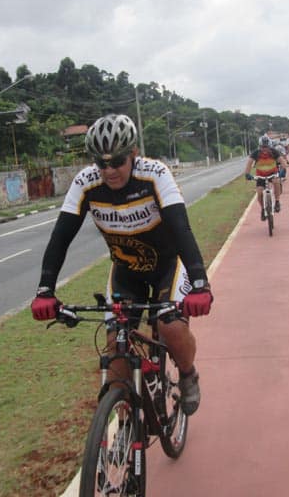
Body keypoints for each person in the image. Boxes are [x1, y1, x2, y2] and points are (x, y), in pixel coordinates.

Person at [30, 113, 214, 415]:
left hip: (168, 266)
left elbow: (182, 230)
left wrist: (200, 284)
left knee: (170, 327)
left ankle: (187, 373)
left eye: (117, 161)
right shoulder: (86, 182)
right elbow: (60, 237)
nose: (109, 171)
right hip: (126, 271)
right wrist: (45, 290)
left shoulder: (155, 174)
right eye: (101, 164)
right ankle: (125, 423)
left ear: (133, 153)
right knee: (116, 349)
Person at [244, 134, 288, 220]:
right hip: (260, 176)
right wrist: (247, 174)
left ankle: (277, 202)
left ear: (270, 146)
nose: (265, 149)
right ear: (260, 146)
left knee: (276, 181)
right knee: (259, 193)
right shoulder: (256, 153)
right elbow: (249, 163)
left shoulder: (274, 152)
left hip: (272, 173)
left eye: (266, 147)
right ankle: (263, 209)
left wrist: (283, 171)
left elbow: (282, 162)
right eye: (263, 147)